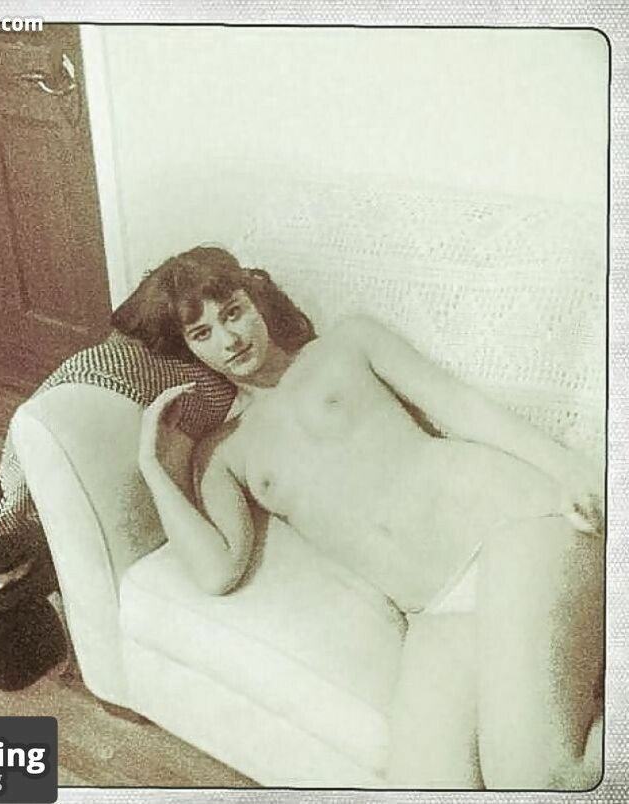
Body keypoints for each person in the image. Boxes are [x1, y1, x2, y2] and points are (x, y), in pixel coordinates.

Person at [111, 245, 604, 790]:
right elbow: (215, 571)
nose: (229, 339)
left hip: (510, 528)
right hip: (436, 612)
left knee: (537, 775)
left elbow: (460, 406)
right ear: (189, 350)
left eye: (233, 312)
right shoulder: (223, 453)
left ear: (255, 298)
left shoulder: (347, 344)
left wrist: (570, 469)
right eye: (203, 333)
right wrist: (152, 466)